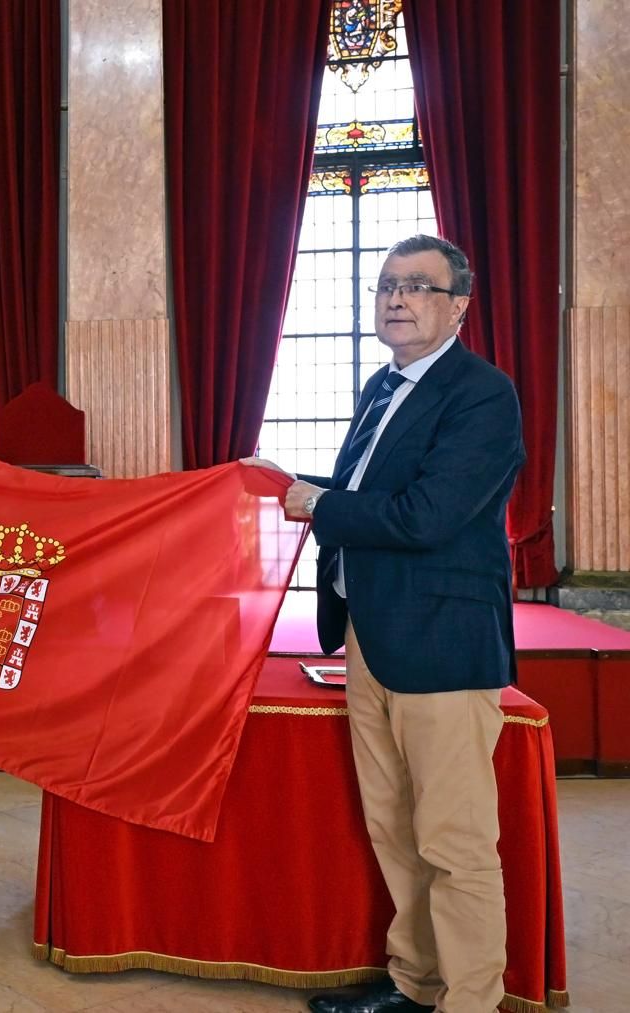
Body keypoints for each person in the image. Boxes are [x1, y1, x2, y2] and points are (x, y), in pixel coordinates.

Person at [245, 235, 524, 1013]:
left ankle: (470, 1000)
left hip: (442, 644)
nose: (396, 298)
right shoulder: (381, 386)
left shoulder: (482, 393)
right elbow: (368, 492)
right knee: (396, 828)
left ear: (458, 306)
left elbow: (427, 515)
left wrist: (319, 503)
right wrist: (292, 483)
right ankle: (415, 982)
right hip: (369, 636)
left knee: (454, 840)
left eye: (418, 286)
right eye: (386, 285)